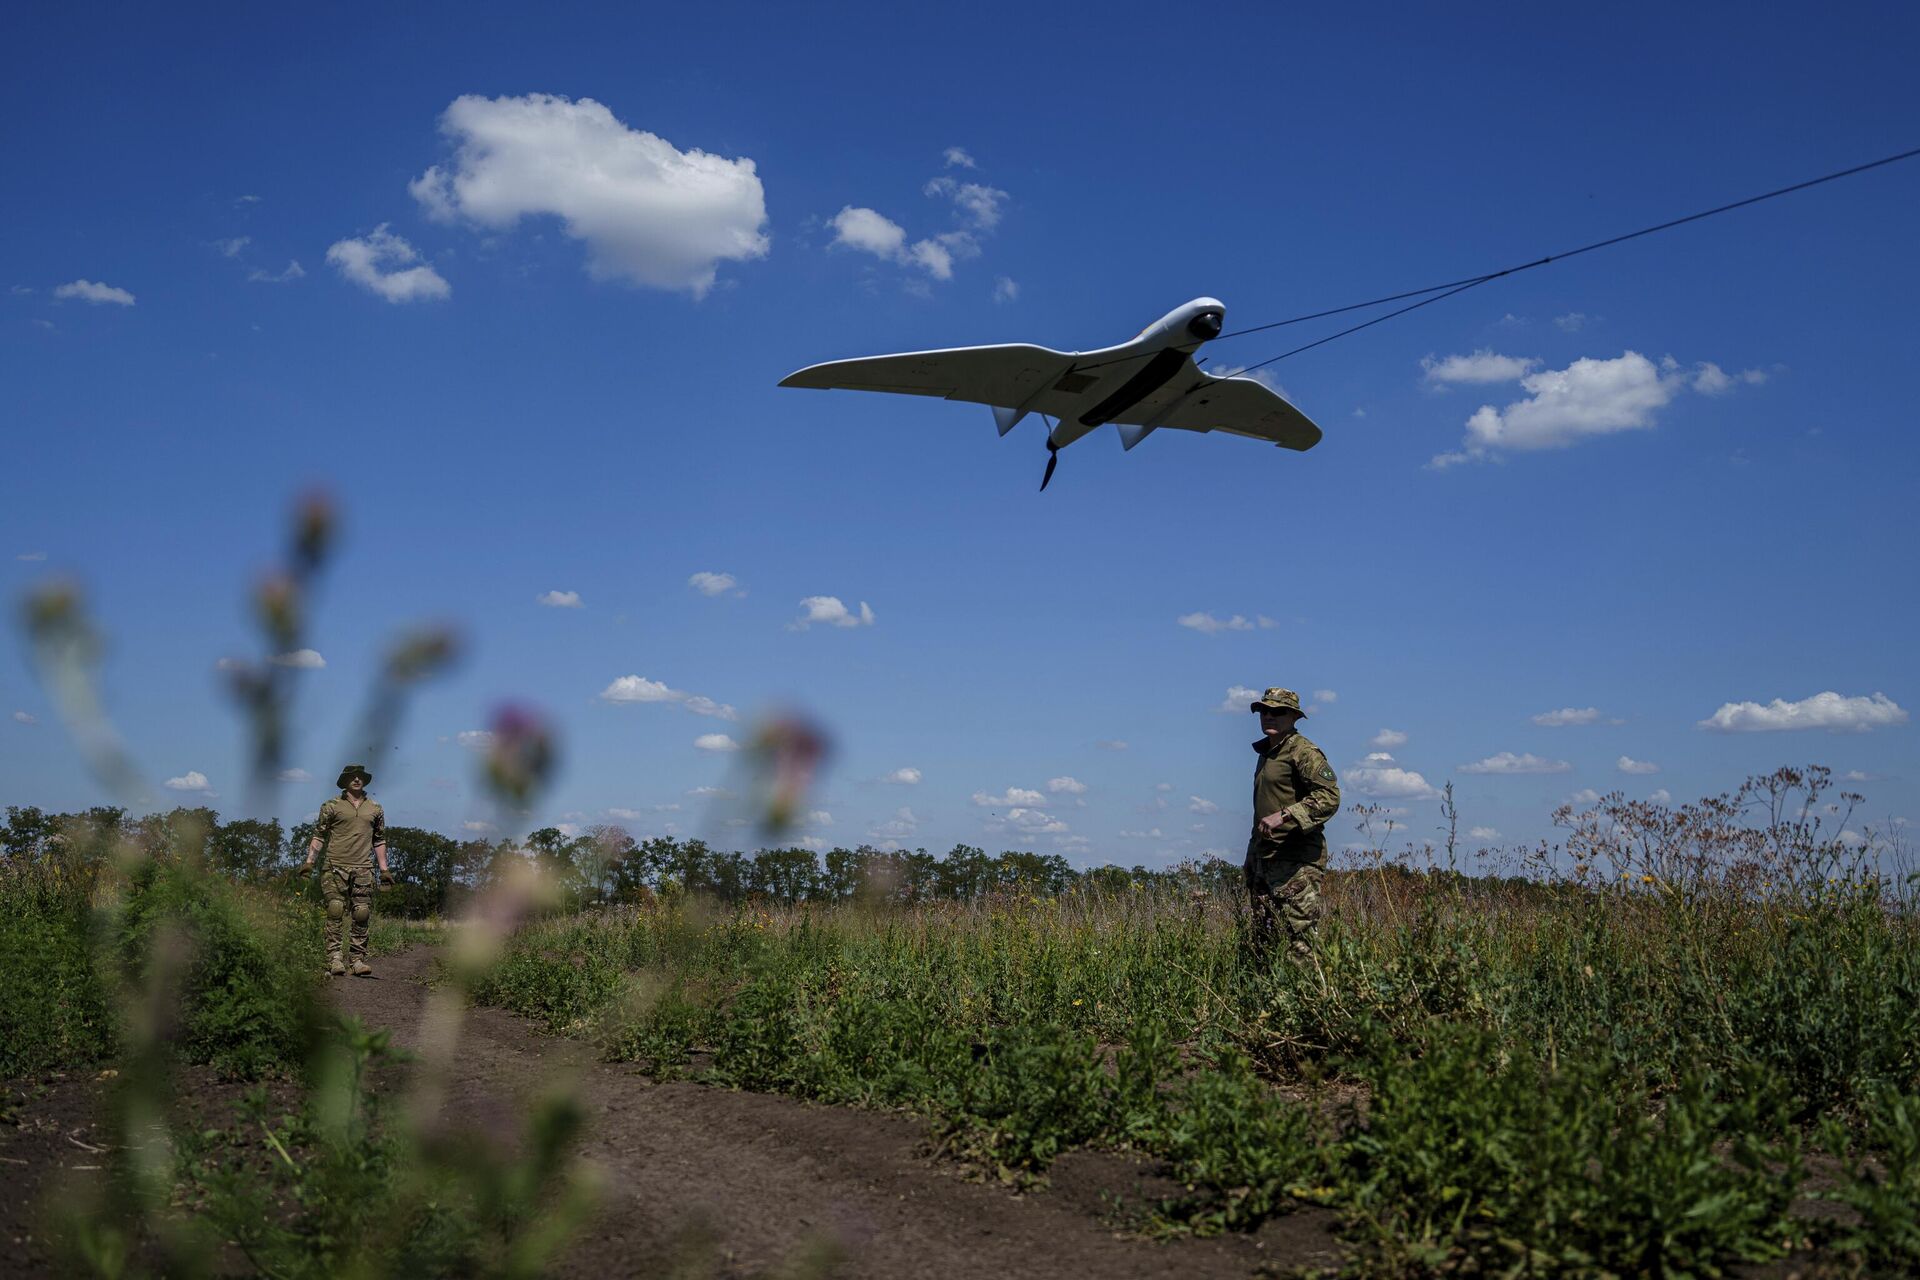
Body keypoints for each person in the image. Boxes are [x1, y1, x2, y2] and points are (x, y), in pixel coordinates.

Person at [1244, 688, 1340, 959]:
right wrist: (1252, 858)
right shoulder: (1268, 753)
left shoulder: (1303, 751)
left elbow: (1330, 796)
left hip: (1296, 863)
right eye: (1264, 711)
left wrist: (1286, 815)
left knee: (1301, 940)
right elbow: (1263, 811)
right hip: (1267, 860)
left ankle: (1309, 997)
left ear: (1294, 717)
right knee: (1265, 941)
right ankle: (1268, 998)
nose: (1269, 717)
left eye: (1278, 712)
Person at [304, 763, 390, 977]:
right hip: (335, 866)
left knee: (361, 913)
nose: (357, 779)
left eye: (360, 776)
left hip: (363, 868)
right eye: (352, 776)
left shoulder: (375, 808)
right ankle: (334, 959)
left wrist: (384, 870)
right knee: (335, 909)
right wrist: (309, 862)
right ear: (345, 781)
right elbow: (319, 835)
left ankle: (358, 960)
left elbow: (379, 840)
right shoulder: (331, 806)